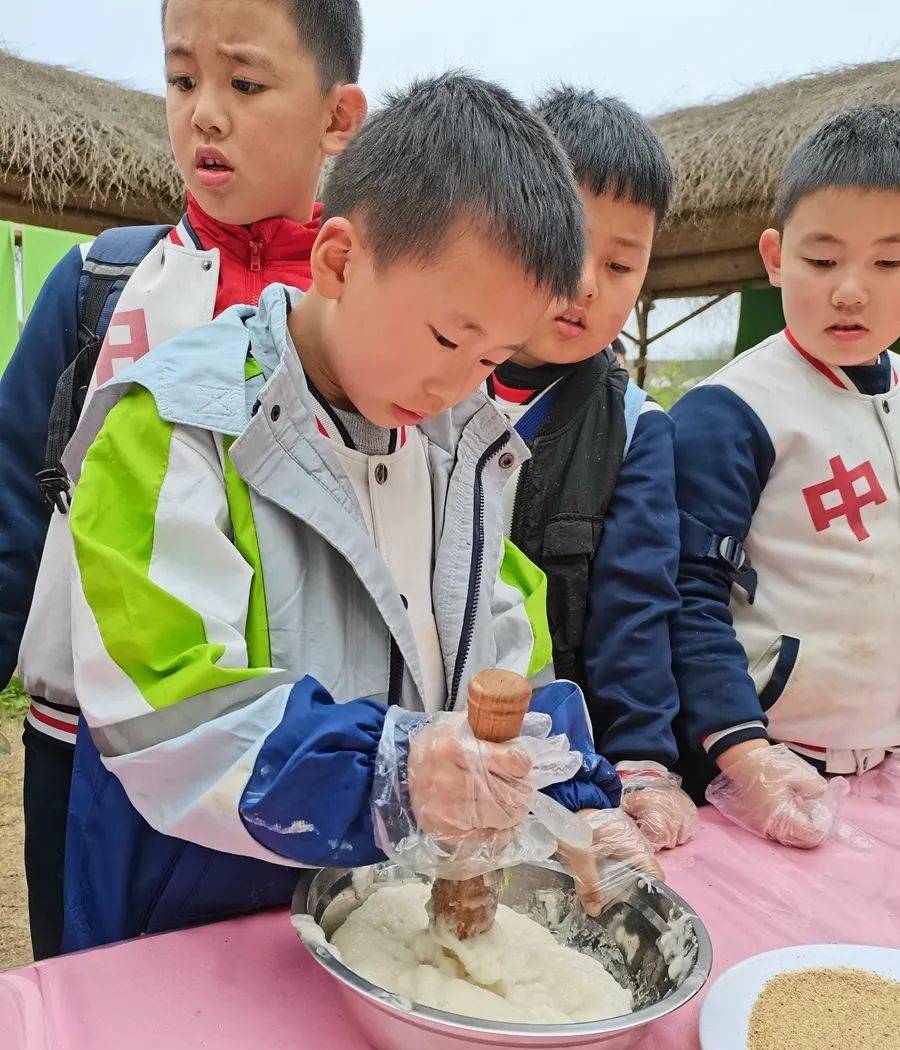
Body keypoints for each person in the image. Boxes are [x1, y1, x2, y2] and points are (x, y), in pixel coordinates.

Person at [62, 71, 625, 952]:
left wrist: (578, 798)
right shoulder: (178, 425)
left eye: (494, 357)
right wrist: (391, 771)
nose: (456, 383)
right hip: (194, 926)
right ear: (338, 259)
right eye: (446, 336)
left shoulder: (460, 445)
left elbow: (507, 661)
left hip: (376, 919)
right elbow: (162, 711)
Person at [0, 0, 367, 958]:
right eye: (181, 79)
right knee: (90, 1015)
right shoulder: (99, 287)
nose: (205, 113)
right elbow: (10, 505)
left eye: (245, 83)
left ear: (338, 116)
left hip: (295, 759)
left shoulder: (367, 319)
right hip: (84, 748)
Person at [671, 105, 900, 846]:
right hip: (768, 769)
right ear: (775, 256)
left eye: (889, 262)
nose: (852, 291)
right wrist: (746, 753)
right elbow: (687, 596)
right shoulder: (730, 411)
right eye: (823, 260)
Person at [487, 88, 697, 855]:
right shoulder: (426, 383)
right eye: (568, 246)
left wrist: (641, 761)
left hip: (564, 768)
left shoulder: (639, 429)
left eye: (619, 264)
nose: (586, 285)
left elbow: (637, 606)